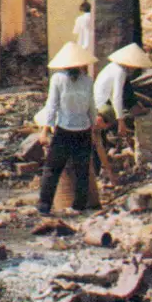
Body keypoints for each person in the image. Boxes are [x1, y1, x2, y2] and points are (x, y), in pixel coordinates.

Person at [37, 42, 98, 215]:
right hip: (83, 130)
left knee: (52, 169)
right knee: (81, 170)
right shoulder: (88, 80)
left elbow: (52, 105)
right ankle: (79, 206)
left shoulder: (58, 79)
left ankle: (44, 205)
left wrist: (45, 129)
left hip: (64, 130)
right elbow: (92, 107)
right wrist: (93, 127)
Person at [93, 43, 152, 137]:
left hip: (104, 101)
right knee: (120, 116)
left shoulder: (113, 67)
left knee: (126, 87)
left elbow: (126, 93)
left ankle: (136, 109)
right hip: (103, 106)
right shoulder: (119, 72)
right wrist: (121, 122)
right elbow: (116, 97)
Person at [73, 2, 94, 75]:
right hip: (92, 42)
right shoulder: (93, 17)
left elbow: (76, 31)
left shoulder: (80, 19)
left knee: (83, 63)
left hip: (82, 43)